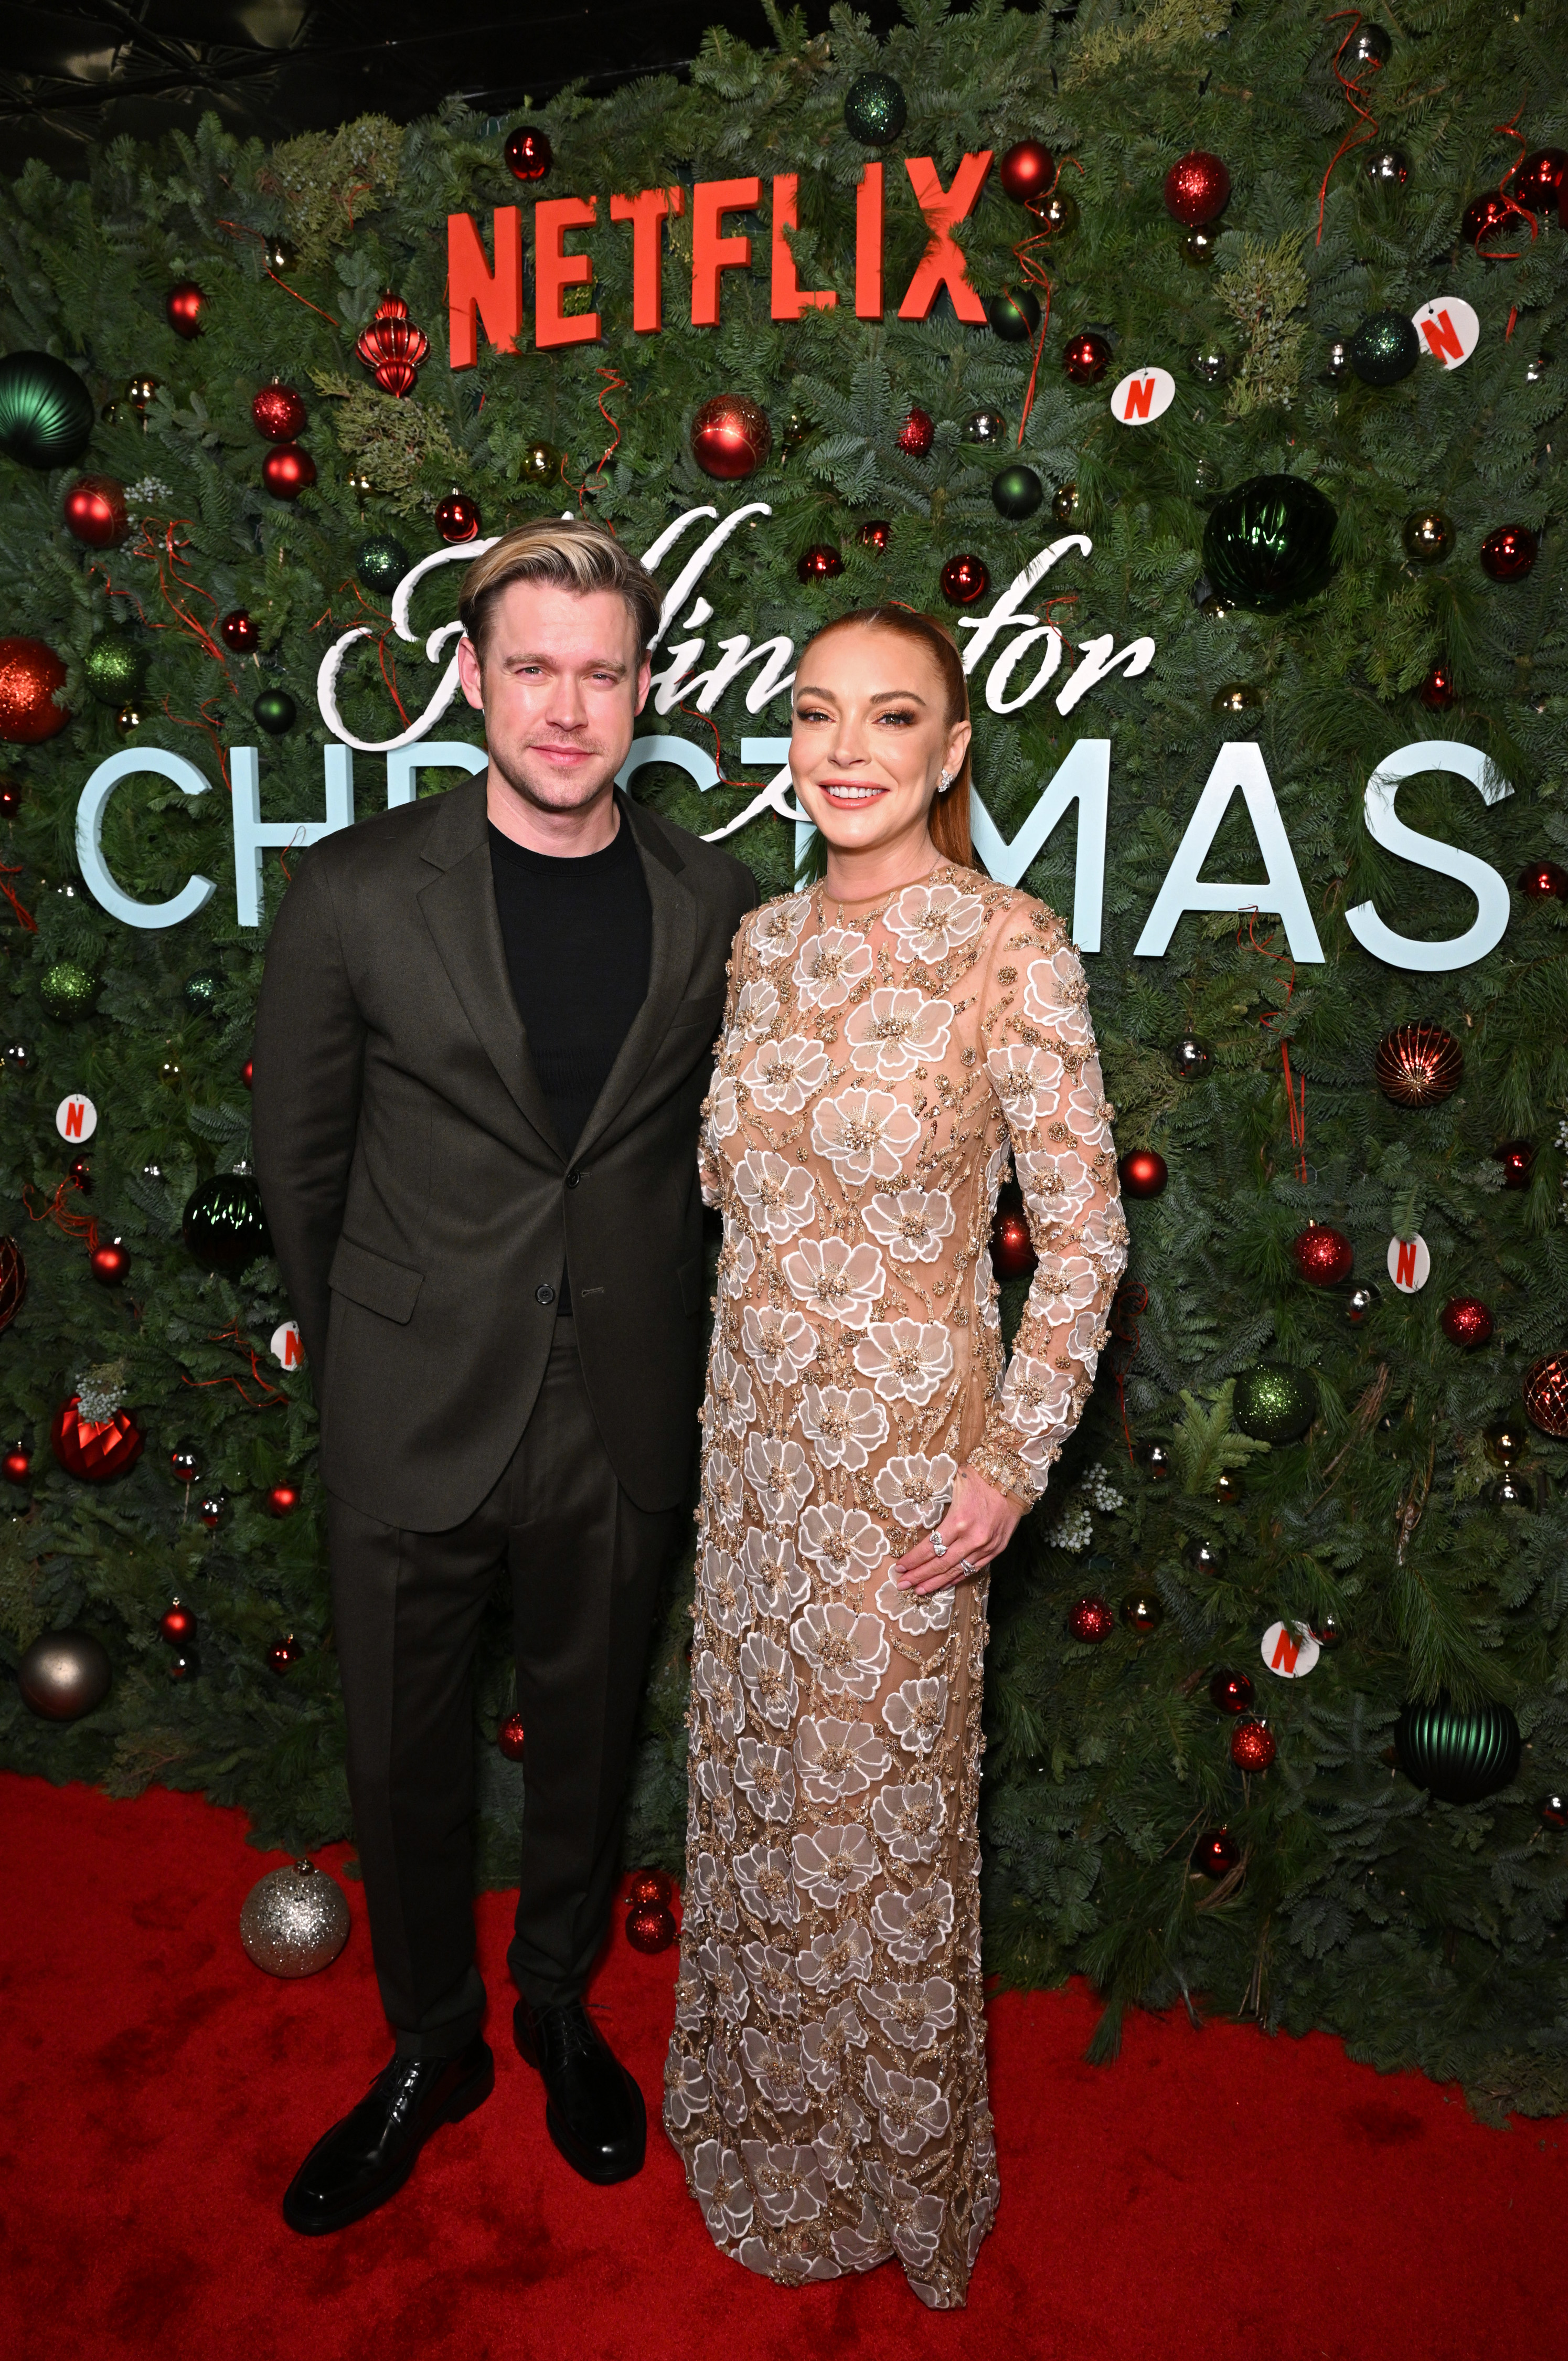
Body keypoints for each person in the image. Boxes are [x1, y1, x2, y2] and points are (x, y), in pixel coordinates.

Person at [252, 518, 756, 2235]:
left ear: (642, 689)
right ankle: (432, 2040)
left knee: (587, 1736)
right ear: (470, 675)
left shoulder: (713, 901)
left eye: (599, 672)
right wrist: (363, 1362)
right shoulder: (354, 889)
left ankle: (553, 2002)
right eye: (531, 665)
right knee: (400, 1757)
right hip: (410, 1395)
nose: (565, 706)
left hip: (618, 1398)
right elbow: (299, 1163)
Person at [663, 604, 1127, 2308]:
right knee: (762, 1803)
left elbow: (1084, 1242)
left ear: (951, 751)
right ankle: (765, 2127)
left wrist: (1009, 1463)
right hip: (752, 1457)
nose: (846, 748)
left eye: (890, 716)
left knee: (879, 1834)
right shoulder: (762, 943)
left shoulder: (1009, 944)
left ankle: (896, 2174)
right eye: (816, 713)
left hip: (907, 1479)